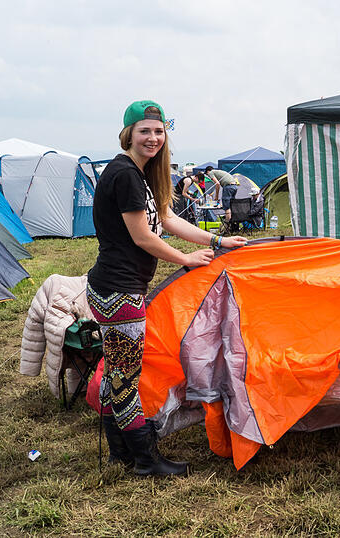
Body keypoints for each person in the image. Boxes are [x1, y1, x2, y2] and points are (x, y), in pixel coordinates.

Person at [86, 100, 246, 476]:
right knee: (125, 377)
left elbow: (168, 218)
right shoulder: (124, 173)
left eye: (159, 132)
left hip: (117, 289)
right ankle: (145, 460)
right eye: (145, 131)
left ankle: (121, 454)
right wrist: (186, 259)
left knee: (117, 371)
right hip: (118, 292)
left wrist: (216, 242)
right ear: (129, 134)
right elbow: (143, 237)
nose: (153, 138)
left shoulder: (139, 174)